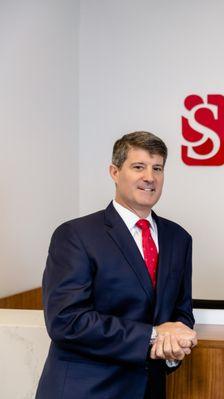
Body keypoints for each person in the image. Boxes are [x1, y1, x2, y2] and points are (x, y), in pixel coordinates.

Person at [36, 131, 197, 399]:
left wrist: (172, 348)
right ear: (114, 172)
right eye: (138, 167)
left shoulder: (179, 238)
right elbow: (67, 321)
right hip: (86, 390)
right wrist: (154, 335)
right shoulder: (76, 235)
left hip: (149, 389)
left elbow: (181, 312)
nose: (150, 177)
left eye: (157, 168)